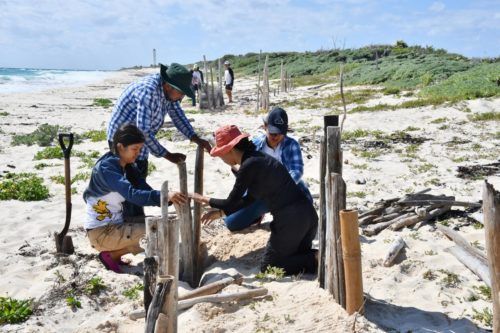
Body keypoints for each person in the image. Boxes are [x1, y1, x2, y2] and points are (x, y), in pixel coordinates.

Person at [190, 125, 318, 275]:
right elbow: (248, 200)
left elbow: (232, 201)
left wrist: (203, 198)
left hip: (291, 221)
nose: (221, 158)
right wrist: (219, 212)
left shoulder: (249, 165)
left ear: (229, 150)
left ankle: (316, 257)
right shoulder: (257, 159)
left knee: (269, 267)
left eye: (220, 154)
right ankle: (316, 258)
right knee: (294, 258)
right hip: (307, 217)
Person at [84, 124, 187, 273]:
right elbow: (133, 194)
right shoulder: (107, 168)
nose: (138, 153)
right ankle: (112, 254)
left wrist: (169, 198)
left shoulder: (127, 166)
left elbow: (144, 190)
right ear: (120, 147)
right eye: (134, 149)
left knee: (164, 223)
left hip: (116, 223)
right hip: (101, 232)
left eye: (139, 149)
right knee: (157, 231)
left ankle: (117, 253)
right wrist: (163, 196)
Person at [107, 62, 211, 177]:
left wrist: (195, 138)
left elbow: (178, 116)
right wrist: (169, 155)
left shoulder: (169, 93)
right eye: (181, 93)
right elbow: (144, 132)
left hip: (140, 140)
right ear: (167, 86)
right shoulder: (148, 91)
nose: (182, 97)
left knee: (139, 176)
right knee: (127, 183)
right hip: (122, 140)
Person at [220, 107, 313, 232]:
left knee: (304, 197)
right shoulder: (255, 145)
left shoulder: (292, 144)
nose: (276, 136)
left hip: (284, 191)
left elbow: (297, 171)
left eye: (280, 133)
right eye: (272, 132)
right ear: (265, 126)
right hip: (261, 195)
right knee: (232, 223)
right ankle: (258, 214)